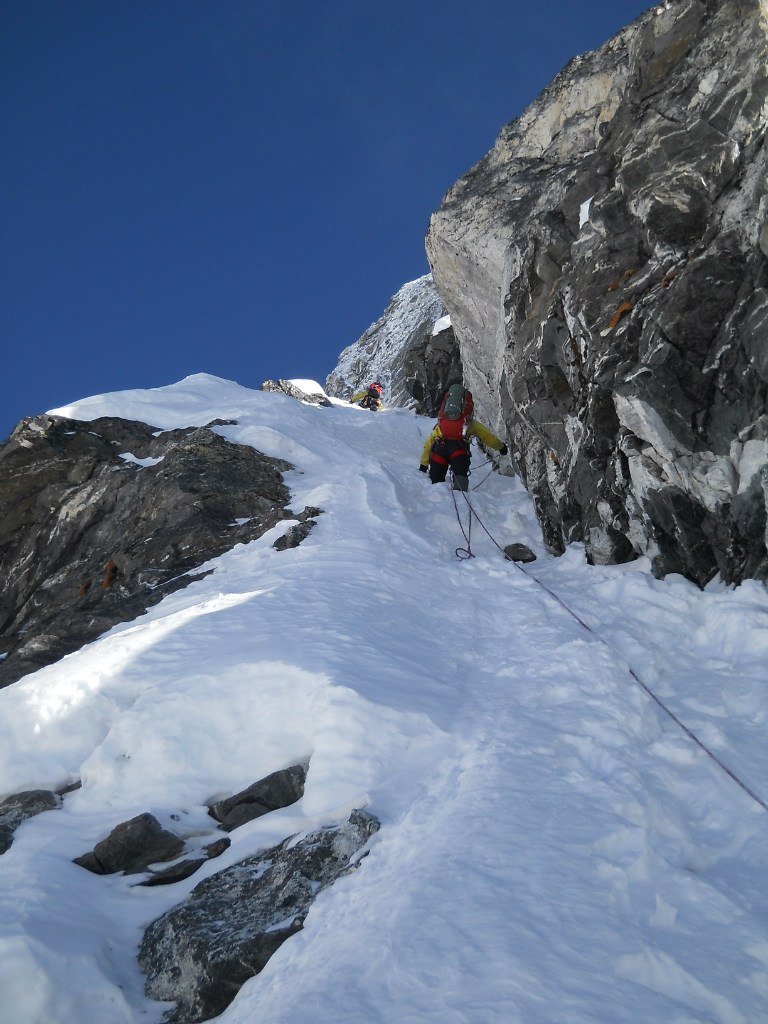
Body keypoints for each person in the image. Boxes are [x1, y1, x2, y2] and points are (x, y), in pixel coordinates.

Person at [419, 382, 507, 491]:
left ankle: (437, 496)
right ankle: (461, 497)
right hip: (459, 451)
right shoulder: (468, 423)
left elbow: (429, 443)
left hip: (440, 449)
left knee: (435, 484)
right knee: (460, 487)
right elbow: (487, 437)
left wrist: (423, 464)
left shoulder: (442, 424)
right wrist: (501, 447)